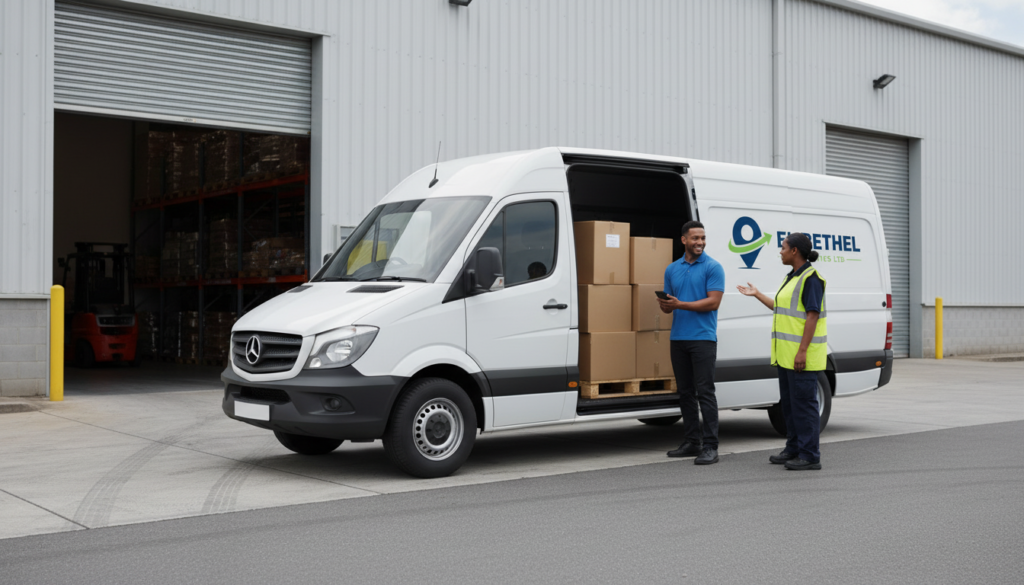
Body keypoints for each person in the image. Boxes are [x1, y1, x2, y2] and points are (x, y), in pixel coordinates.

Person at [736, 232, 826, 471]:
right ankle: (794, 448)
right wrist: (757, 295)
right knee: (789, 405)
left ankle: (809, 455)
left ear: (794, 251)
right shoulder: (792, 277)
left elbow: (812, 315)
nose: (780, 251)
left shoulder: (811, 278)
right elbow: (781, 308)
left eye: (783, 247)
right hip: (786, 356)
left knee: (805, 406)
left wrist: (802, 351)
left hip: (801, 357)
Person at [660, 221, 725, 465]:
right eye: (695, 238)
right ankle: (692, 441)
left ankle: (711, 446)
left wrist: (680, 305)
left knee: (705, 393)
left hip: (703, 339)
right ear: (684, 240)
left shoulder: (713, 267)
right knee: (686, 393)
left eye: (703, 238)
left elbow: (713, 303)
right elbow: (670, 306)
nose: (700, 242)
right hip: (678, 338)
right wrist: (667, 305)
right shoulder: (672, 269)